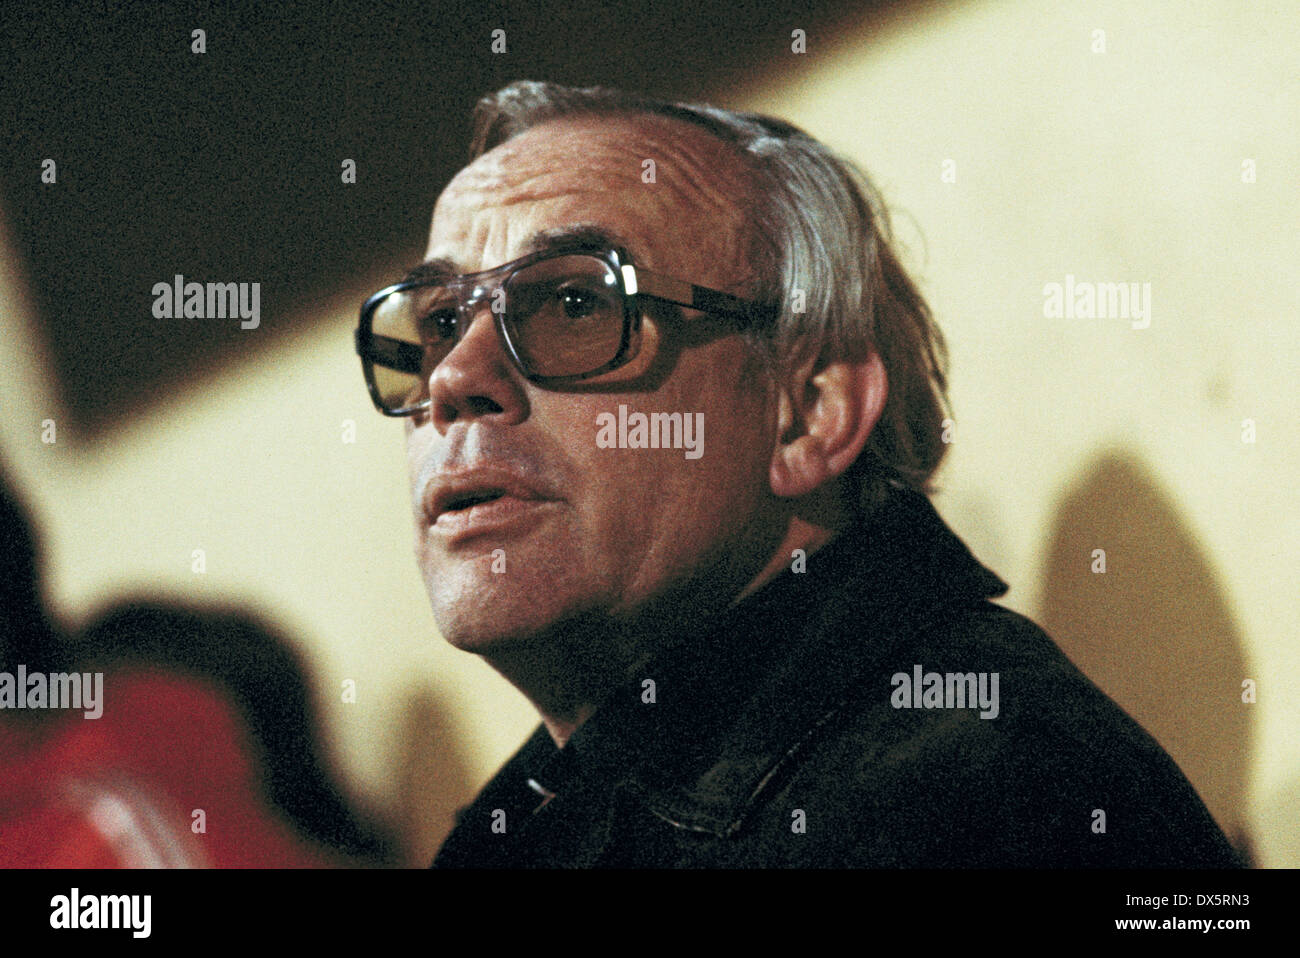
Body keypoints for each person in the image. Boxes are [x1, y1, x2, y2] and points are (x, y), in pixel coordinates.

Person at [354, 81, 1241, 867]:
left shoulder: (984, 787)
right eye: (435, 323)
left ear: (808, 413)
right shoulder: (529, 817)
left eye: (576, 303)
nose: (455, 381)